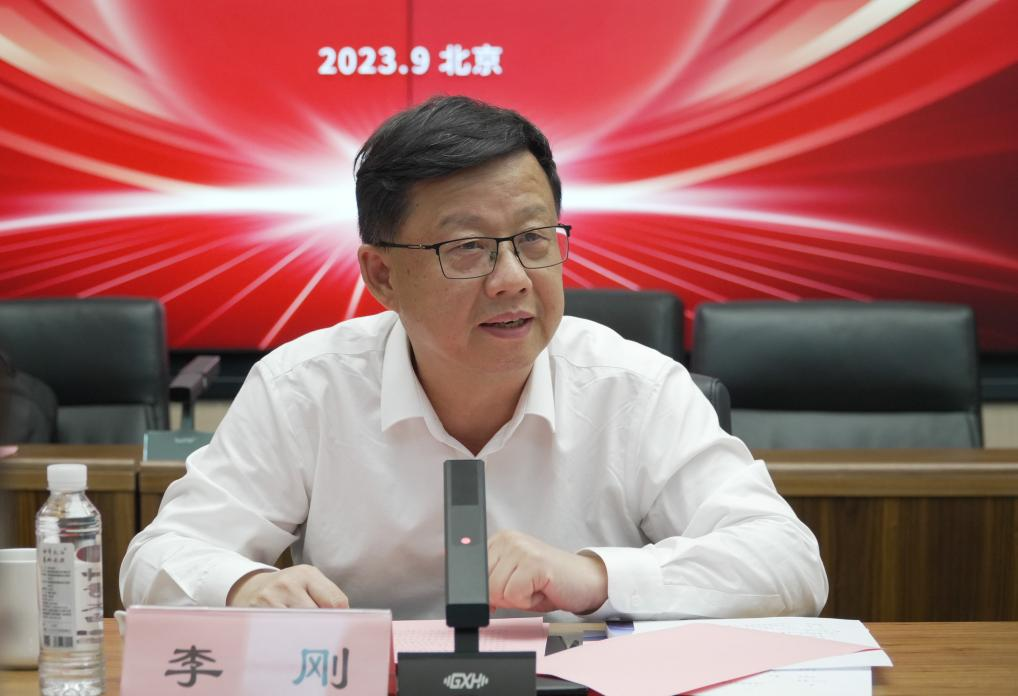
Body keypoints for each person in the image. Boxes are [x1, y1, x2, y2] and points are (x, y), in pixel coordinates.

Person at [121, 96, 828, 620]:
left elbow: (788, 560)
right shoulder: (303, 389)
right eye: (467, 249)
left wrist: (597, 577)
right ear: (382, 275)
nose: (513, 279)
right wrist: (245, 586)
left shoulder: (633, 387)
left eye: (534, 239)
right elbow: (159, 557)